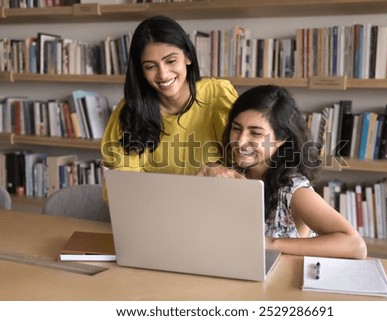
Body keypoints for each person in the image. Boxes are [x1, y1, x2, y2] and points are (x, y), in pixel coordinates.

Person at [199, 85, 367, 259]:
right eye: (236, 128)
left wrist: (268, 243)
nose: (240, 141)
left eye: (255, 133)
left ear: (281, 139)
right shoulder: (231, 174)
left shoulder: (294, 190)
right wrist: (203, 173)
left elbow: (356, 246)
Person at [101, 15, 238, 176]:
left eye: (171, 61)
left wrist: (216, 170)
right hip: (149, 201)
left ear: (187, 56)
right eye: (150, 66)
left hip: (216, 199)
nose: (163, 74)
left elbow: (245, 162)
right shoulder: (130, 111)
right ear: (140, 71)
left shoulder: (218, 95)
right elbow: (123, 185)